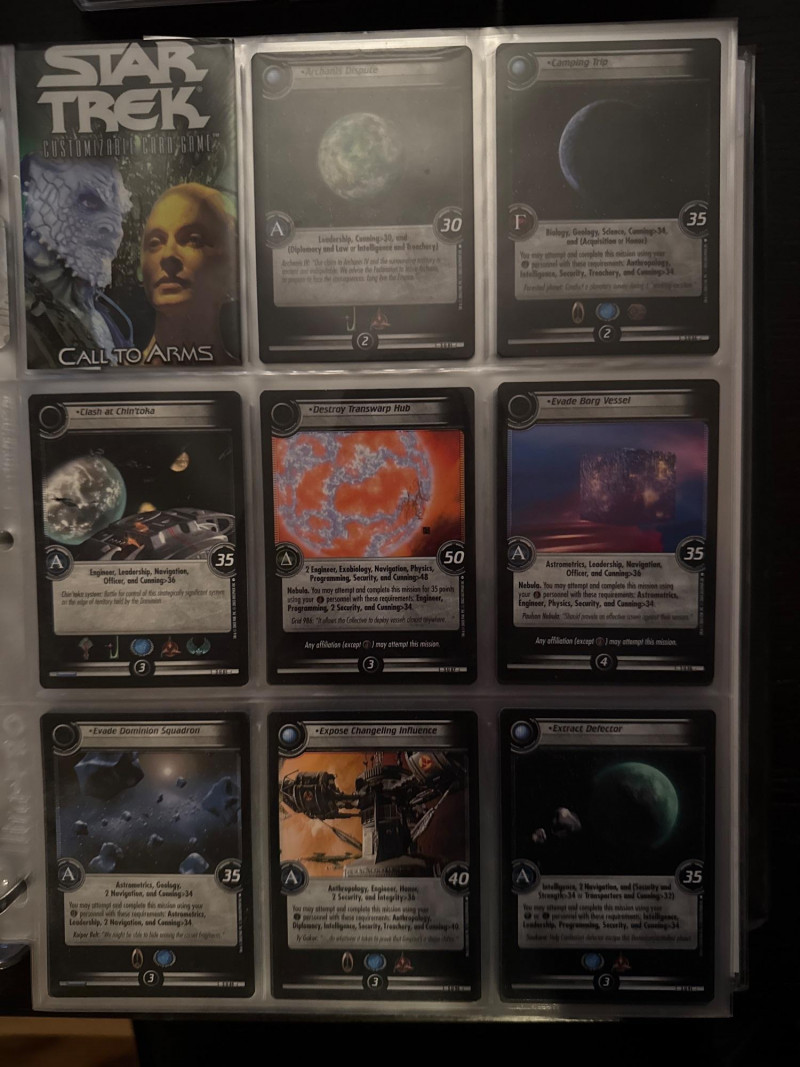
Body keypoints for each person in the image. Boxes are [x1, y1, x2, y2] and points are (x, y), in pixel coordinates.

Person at [140, 183, 238, 364]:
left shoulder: (245, 372)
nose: (168, 255)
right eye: (155, 242)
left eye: (193, 240)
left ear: (232, 264)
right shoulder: (115, 376)